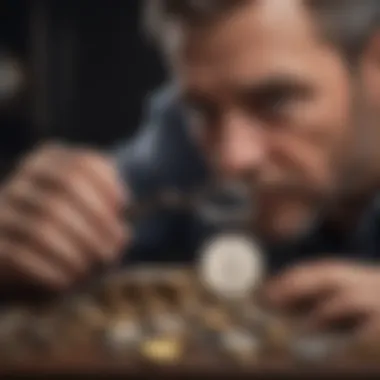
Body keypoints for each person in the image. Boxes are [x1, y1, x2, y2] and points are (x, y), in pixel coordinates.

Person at [1, 0, 380, 339]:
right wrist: (32, 236)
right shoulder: (180, 138)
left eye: (275, 101)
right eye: (203, 110)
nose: (233, 159)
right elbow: (68, 231)